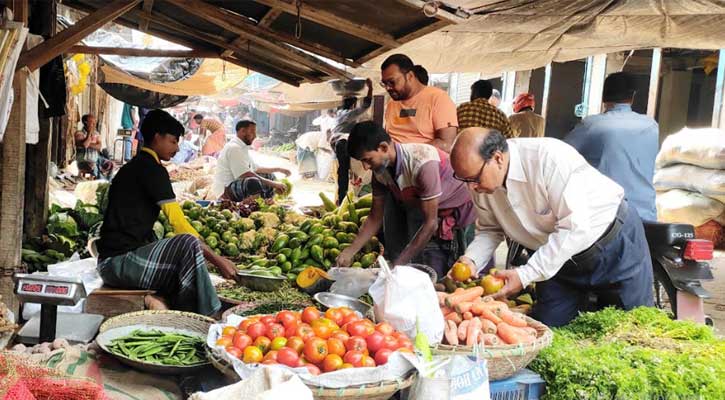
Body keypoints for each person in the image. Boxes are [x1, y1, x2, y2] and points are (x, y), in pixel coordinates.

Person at [450, 128, 654, 327]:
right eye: (464, 180)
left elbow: (574, 227)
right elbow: (490, 229)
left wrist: (525, 274)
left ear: (497, 158)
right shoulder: (481, 184)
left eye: (474, 179)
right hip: (555, 260)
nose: (471, 187)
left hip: (612, 245)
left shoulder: (549, 159)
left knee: (632, 326)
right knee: (547, 329)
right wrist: (472, 259)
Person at [97, 109, 237, 316]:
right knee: (187, 243)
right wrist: (217, 259)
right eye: (173, 141)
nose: (177, 147)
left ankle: (183, 312)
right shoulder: (152, 169)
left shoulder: (134, 167)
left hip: (112, 262)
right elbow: (178, 224)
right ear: (157, 137)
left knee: (182, 259)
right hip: (117, 264)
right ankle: (211, 314)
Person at [337, 121, 476, 277]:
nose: (365, 167)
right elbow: (375, 217)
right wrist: (350, 251)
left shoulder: (422, 163)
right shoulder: (380, 172)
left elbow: (430, 224)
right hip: (428, 212)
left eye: (368, 160)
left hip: (459, 215)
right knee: (422, 267)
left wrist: (398, 265)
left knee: (459, 272)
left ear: (383, 147)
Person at [564, 72, 658, 221]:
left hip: (604, 218)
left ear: (604, 97)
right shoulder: (651, 126)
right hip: (645, 214)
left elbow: (561, 155)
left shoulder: (591, 125)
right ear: (632, 96)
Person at [381, 54, 458, 153]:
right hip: (393, 163)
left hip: (423, 164)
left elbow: (447, 144)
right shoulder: (392, 103)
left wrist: (405, 154)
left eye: (392, 82)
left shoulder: (438, 98)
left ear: (409, 76)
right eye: (384, 83)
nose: (388, 88)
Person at [211, 120, 291, 201]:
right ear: (242, 131)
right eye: (252, 132)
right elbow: (246, 174)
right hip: (226, 190)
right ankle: (253, 205)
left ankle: (267, 203)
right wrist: (273, 184)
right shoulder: (234, 148)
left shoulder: (242, 148)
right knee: (253, 182)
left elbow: (256, 168)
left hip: (237, 184)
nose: (255, 136)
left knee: (269, 176)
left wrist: (279, 169)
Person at [330, 78, 374, 204]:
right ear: (354, 104)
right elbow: (366, 105)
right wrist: (370, 89)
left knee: (342, 174)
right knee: (344, 173)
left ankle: (342, 198)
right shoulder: (349, 114)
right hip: (342, 145)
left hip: (338, 147)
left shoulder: (340, 113)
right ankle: (343, 199)